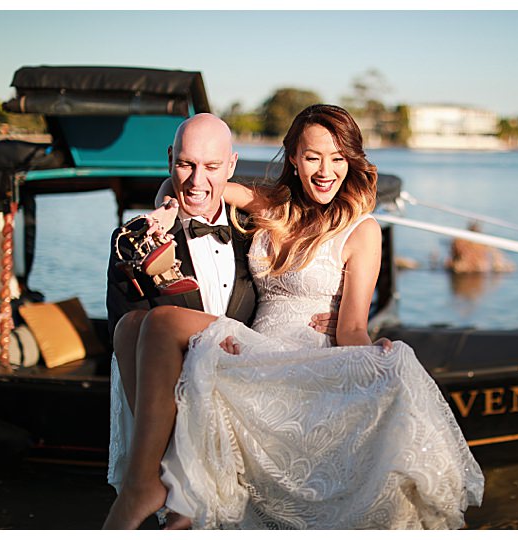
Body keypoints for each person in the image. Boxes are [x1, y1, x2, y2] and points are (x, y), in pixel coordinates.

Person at [103, 105, 484, 530]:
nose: (326, 170)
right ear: (293, 159)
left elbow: (352, 327)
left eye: (338, 158)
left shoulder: (363, 231)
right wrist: (165, 210)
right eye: (313, 157)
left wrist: (374, 357)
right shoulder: (273, 207)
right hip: (253, 350)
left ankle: (147, 484)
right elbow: (194, 185)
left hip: (300, 363)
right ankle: (161, 479)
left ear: (351, 162)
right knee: (129, 327)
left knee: (160, 323)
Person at [105, 113, 337, 522]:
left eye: (211, 167)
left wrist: (336, 313)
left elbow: (313, 260)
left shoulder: (254, 229)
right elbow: (126, 343)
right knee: (134, 327)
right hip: (168, 412)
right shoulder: (135, 238)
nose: (196, 181)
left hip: (243, 395)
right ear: (169, 159)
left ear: (231, 166)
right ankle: (153, 482)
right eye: (185, 164)